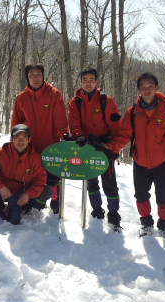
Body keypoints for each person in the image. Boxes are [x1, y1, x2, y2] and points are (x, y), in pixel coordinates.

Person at [104, 72, 165, 239]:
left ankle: (164, 225)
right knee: (141, 194)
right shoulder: (132, 112)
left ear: (156, 88)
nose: (147, 90)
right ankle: (146, 223)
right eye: (143, 87)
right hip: (140, 161)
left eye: (150, 87)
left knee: (163, 195)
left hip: (162, 161)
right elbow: (124, 134)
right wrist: (111, 147)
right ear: (138, 89)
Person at [10, 63, 74, 215]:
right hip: (28, 146)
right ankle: (37, 201)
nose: (35, 78)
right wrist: (14, 143)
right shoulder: (21, 98)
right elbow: (16, 123)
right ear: (27, 77)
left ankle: (55, 200)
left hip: (50, 143)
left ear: (43, 76)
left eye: (38, 74)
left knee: (52, 177)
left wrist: (64, 135)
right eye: (31, 75)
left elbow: (60, 119)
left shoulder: (54, 94)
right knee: (30, 176)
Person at [68, 67, 122, 228]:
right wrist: (79, 136)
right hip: (85, 146)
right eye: (85, 80)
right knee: (91, 182)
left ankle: (113, 213)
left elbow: (116, 126)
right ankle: (97, 209)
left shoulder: (106, 100)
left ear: (97, 81)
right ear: (81, 82)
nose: (88, 83)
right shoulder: (75, 101)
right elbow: (74, 123)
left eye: (91, 79)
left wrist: (113, 147)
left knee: (109, 183)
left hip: (104, 147)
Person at [0, 124, 52, 225]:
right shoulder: (0, 153)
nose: (20, 141)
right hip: (3, 192)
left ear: (29, 139)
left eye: (24, 137)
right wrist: (1, 187)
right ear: (11, 138)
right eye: (17, 137)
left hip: (23, 192)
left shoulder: (36, 158)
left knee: (47, 191)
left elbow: (40, 180)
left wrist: (28, 194)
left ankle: (26, 207)